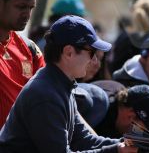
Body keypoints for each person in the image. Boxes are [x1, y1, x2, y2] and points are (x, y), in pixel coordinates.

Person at [0, 15, 136, 152]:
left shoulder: (60, 84)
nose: (95, 60)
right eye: (92, 52)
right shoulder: (46, 95)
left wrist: (133, 143)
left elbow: (83, 139)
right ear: (69, 52)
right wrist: (116, 150)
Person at [0, 0, 45, 128]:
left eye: (30, 8)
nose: (27, 14)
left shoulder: (30, 49)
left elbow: (48, 93)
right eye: (20, 6)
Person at [81, 82, 149, 138]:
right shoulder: (96, 105)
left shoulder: (116, 90)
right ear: (130, 115)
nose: (141, 136)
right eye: (142, 131)